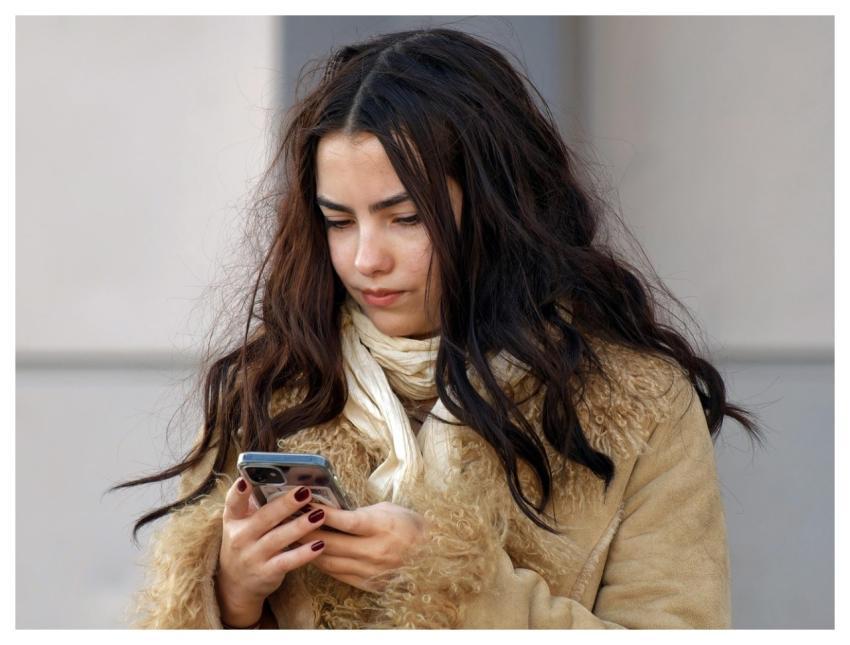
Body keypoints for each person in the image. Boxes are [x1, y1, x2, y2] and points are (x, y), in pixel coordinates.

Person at [111, 27, 762, 629]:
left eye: (405, 217)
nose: (367, 258)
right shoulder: (271, 387)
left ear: (497, 208)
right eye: (340, 220)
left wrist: (449, 577)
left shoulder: (637, 405)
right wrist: (231, 593)